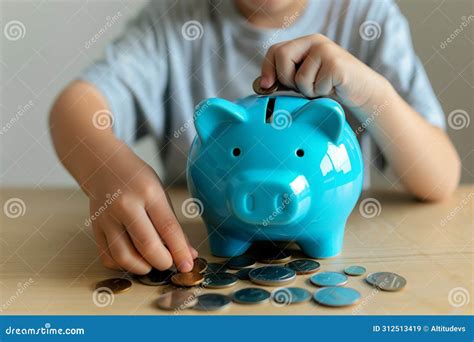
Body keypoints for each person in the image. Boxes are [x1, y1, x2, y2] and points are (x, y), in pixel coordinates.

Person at [49, 0, 460, 275]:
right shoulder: (175, 23)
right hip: (209, 246)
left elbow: (441, 177)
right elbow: (74, 107)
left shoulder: (368, 17)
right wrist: (103, 165)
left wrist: (372, 93)